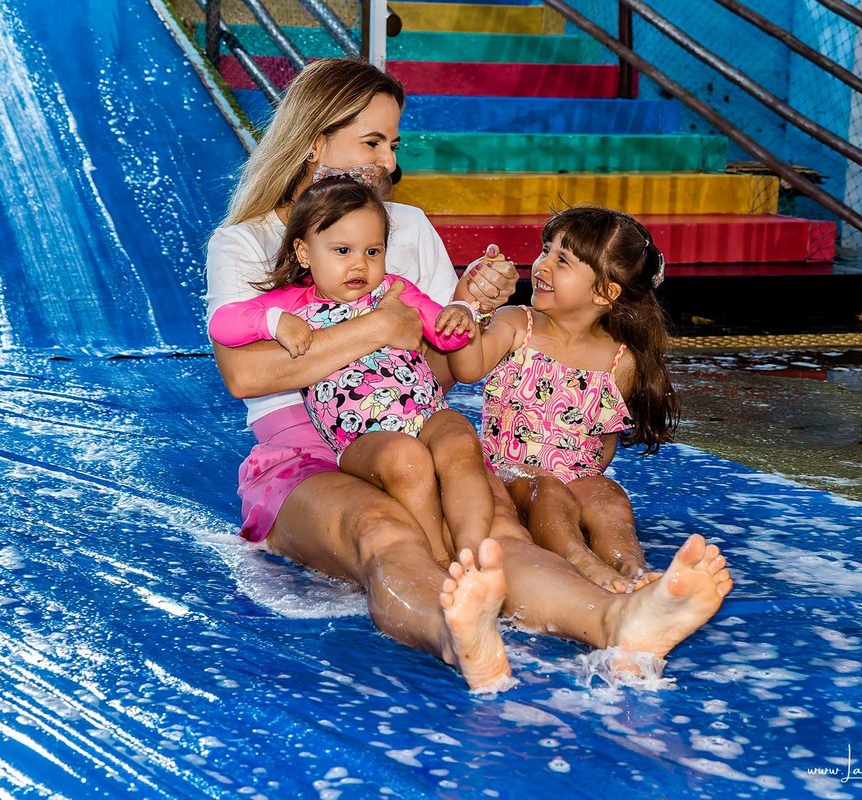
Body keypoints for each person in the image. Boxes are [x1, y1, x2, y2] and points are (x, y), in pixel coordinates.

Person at [206, 57, 734, 691]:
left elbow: (439, 370)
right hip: (305, 453)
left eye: (393, 143)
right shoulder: (247, 241)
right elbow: (245, 374)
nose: (388, 162)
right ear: (315, 141)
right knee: (384, 533)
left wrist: (464, 307)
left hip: (412, 424)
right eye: (370, 142)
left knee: (493, 534)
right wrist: (373, 329)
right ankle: (458, 635)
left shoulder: (405, 228)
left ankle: (619, 618)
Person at [209, 173, 493, 566]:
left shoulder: (395, 290)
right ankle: (440, 558)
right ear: (305, 253)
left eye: (372, 252)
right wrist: (272, 322)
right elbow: (223, 323)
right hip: (362, 436)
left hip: (425, 413)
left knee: (460, 437)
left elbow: (446, 335)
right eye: (343, 251)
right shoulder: (291, 305)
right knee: (404, 459)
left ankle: (477, 551)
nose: (360, 264)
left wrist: (463, 313)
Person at [450, 207, 674, 592]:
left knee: (610, 498)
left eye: (562, 260)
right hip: (508, 473)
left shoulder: (620, 361)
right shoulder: (518, 324)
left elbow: (604, 441)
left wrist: (585, 488)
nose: (542, 265)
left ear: (605, 292)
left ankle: (632, 568)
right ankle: (581, 561)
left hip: (575, 476)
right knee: (548, 491)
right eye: (545, 250)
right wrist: (467, 307)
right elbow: (467, 369)